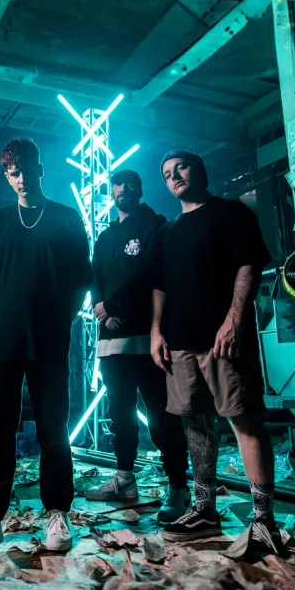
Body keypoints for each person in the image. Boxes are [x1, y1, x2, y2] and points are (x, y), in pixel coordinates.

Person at [0, 137, 92, 555]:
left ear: (40, 169)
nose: (22, 178)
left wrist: (57, 320)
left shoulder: (66, 218)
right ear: (7, 177)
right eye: (14, 173)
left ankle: (57, 512)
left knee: (53, 429)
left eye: (27, 169)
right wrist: (8, 319)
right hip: (2, 342)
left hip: (49, 341)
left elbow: (81, 283)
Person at [149, 150, 281, 551]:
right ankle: (205, 509)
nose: (174, 176)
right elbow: (160, 285)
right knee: (195, 423)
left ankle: (264, 520)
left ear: (199, 170)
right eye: (167, 173)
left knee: (243, 419)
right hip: (180, 342)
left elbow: (248, 266)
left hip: (221, 338)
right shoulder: (168, 231)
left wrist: (234, 319)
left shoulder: (231, 213)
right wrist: (156, 331)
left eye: (181, 167)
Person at [85, 169, 190, 523]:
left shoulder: (154, 224)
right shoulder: (105, 236)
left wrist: (114, 306)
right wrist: (100, 309)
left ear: (140, 190)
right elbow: (95, 276)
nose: (123, 189)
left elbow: (148, 272)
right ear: (111, 190)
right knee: (120, 415)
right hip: (111, 341)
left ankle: (178, 485)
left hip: (148, 339)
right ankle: (124, 479)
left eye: (131, 184)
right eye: (118, 184)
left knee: (162, 416)